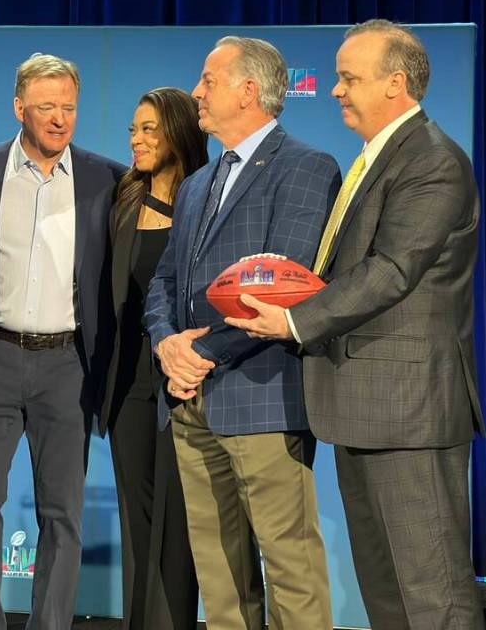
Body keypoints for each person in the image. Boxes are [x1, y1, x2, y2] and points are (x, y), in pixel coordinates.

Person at [226, 19, 486, 629]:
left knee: (431, 595)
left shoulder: (434, 161)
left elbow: (394, 269)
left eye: (348, 78)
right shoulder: (376, 157)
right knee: (387, 595)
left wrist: (294, 319)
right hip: (363, 406)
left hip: (409, 413)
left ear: (396, 84)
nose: (336, 90)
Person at [144, 36, 340, 629]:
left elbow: (289, 289)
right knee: (220, 576)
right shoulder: (201, 181)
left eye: (208, 81)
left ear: (248, 90)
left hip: (263, 400)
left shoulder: (307, 167)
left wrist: (199, 351)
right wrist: (165, 342)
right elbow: (164, 279)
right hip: (190, 400)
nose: (196, 93)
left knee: (290, 571)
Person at [0, 53, 125, 629]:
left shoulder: (108, 179)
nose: (59, 119)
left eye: (68, 108)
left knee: (62, 513)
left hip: (68, 366)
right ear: (19, 108)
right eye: (46, 107)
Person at [97, 88, 207, 629]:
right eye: (133, 130)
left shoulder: (204, 199)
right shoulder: (122, 198)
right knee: (136, 519)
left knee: (180, 524)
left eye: (149, 130)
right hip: (127, 385)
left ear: (178, 132)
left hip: (186, 380)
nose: (136, 140)